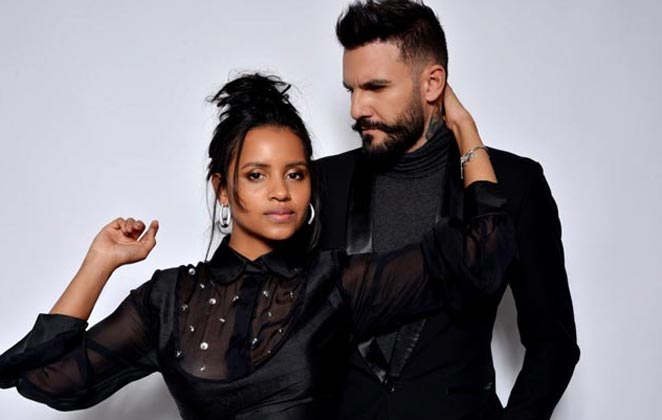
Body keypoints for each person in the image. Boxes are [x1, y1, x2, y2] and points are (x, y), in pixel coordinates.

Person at [0, 74, 514, 420]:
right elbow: (46, 380)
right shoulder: (166, 300)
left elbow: (484, 254)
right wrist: (100, 262)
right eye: (255, 175)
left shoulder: (336, 284)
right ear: (223, 189)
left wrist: (464, 130)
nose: (280, 192)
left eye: (295, 174)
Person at [316, 1, 580, 419]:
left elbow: (554, 343)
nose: (356, 109)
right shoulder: (321, 183)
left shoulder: (513, 184)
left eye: (376, 88)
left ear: (432, 83)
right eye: (352, 90)